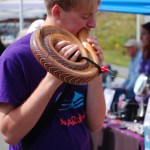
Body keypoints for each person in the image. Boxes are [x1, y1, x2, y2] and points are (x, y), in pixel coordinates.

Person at [0, 0, 106, 150]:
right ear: (57, 12)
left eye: (93, 15)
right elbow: (9, 134)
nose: (93, 24)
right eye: (85, 16)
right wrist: (53, 78)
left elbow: (96, 124)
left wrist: (96, 70)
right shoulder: (16, 57)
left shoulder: (83, 55)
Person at [111, 39, 142, 104]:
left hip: (136, 91)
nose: (127, 50)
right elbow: (129, 78)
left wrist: (127, 88)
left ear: (135, 49)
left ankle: (114, 111)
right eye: (126, 48)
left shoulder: (139, 58)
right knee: (114, 89)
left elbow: (136, 77)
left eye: (129, 48)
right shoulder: (133, 59)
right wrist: (121, 85)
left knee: (116, 93)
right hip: (132, 88)